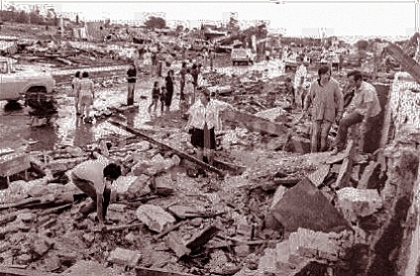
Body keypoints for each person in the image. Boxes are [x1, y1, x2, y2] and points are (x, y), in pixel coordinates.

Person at [331, 70, 381, 155]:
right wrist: (347, 112)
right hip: (361, 112)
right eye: (349, 81)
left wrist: (364, 123)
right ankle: (339, 146)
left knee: (363, 134)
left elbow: (369, 108)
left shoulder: (368, 90)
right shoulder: (356, 87)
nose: (350, 83)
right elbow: (354, 102)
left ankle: (365, 153)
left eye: (351, 81)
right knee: (343, 122)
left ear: (359, 80)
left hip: (371, 115)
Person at [303, 65, 344, 153]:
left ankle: (321, 153)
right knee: (315, 134)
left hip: (329, 112)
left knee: (324, 135)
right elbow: (308, 97)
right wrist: (305, 109)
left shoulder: (334, 84)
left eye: (328, 74)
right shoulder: (314, 84)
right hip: (317, 111)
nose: (326, 76)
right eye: (324, 74)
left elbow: (340, 98)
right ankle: (312, 154)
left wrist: (339, 113)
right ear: (320, 75)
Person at [71, 156, 121, 226]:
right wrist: (101, 223)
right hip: (77, 177)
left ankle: (103, 216)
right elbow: (99, 203)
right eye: (112, 179)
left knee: (107, 193)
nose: (112, 181)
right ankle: (81, 214)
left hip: (86, 171)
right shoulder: (98, 179)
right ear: (108, 176)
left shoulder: (106, 162)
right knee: (96, 199)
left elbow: (96, 154)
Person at [185, 89, 220, 166]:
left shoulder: (213, 104)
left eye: (202, 96)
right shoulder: (197, 104)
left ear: (207, 97)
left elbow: (220, 109)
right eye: (199, 96)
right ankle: (200, 166)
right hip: (199, 128)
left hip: (209, 128)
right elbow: (191, 114)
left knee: (210, 149)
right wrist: (188, 126)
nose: (200, 97)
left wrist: (230, 107)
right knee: (200, 148)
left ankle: (210, 165)